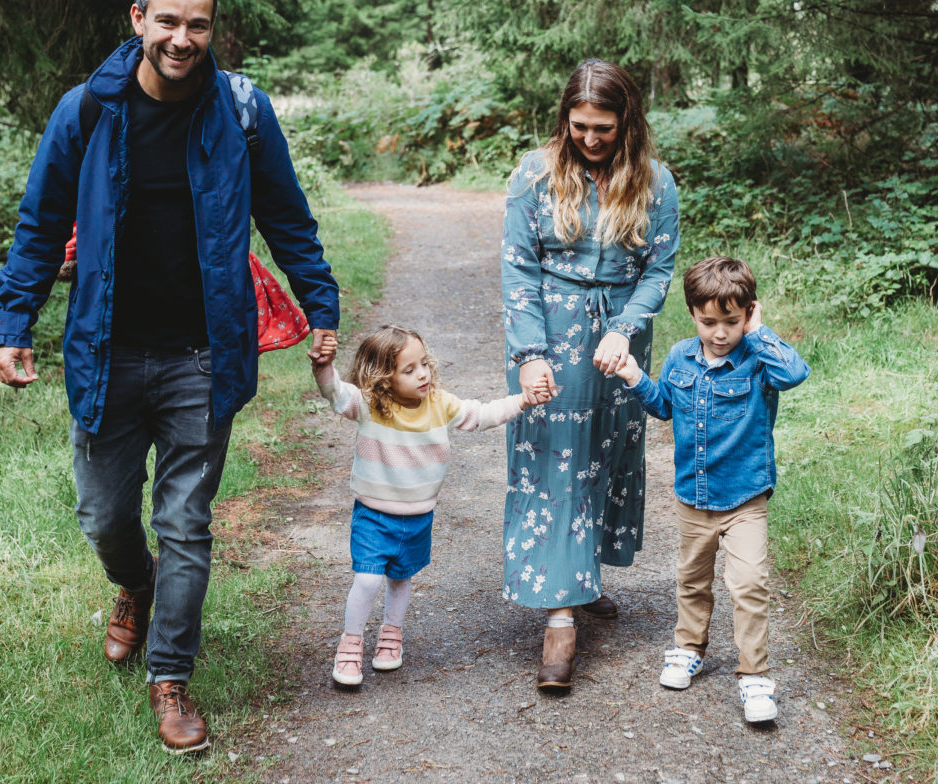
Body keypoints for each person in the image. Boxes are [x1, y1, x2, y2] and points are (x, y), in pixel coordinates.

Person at [0, 0, 338, 754]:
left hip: (201, 356)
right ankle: (131, 584)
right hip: (105, 354)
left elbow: (287, 216)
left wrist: (321, 303)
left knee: (185, 521)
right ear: (139, 18)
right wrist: (13, 323)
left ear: (212, 29)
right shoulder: (87, 110)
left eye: (199, 25)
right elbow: (41, 223)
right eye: (168, 22)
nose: (183, 39)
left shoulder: (241, 113)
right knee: (105, 516)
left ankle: (170, 676)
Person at [500, 58, 679, 690]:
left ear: (626, 120)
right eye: (580, 126)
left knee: (607, 455)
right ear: (565, 119)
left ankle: (583, 574)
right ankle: (559, 617)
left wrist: (624, 327)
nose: (592, 139)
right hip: (550, 330)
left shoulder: (656, 182)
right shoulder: (534, 172)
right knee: (554, 460)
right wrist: (530, 354)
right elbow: (518, 268)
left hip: (619, 337)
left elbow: (659, 270)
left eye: (604, 127)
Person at [614, 257, 810, 723]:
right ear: (693, 316)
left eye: (732, 321)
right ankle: (688, 648)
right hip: (694, 496)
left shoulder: (760, 359)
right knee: (692, 580)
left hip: (745, 497)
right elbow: (664, 406)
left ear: (749, 314)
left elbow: (795, 373)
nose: (720, 333)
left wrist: (759, 334)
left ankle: (754, 675)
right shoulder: (681, 356)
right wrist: (636, 379)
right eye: (709, 322)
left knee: (749, 584)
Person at [312, 326, 550, 686]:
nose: (422, 373)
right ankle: (351, 643)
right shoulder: (370, 405)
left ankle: (391, 635)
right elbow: (335, 393)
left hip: (417, 517)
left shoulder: (440, 404)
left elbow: (482, 414)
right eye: (408, 370)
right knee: (367, 577)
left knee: (400, 578)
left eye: (423, 364)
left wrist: (522, 400)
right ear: (382, 378)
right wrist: (322, 368)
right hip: (374, 515)